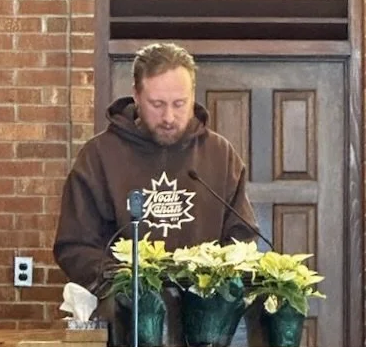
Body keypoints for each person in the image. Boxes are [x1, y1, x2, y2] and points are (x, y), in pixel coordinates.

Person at [53, 42, 258, 299]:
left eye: (180, 103)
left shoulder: (220, 155)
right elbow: (74, 246)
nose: (169, 117)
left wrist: (214, 286)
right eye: (157, 104)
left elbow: (242, 239)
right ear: (137, 96)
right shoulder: (99, 157)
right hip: (125, 322)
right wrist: (126, 285)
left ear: (193, 95)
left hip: (204, 323)